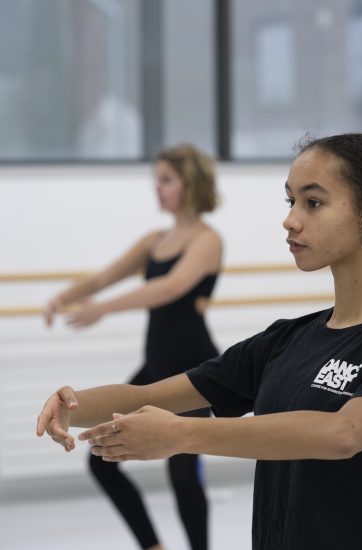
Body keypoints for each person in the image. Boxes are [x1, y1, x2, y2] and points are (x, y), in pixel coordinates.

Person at [37, 133, 362, 550]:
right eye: (291, 200)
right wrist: (71, 402)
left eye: (314, 202)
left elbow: (345, 432)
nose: (290, 219)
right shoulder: (287, 339)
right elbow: (149, 395)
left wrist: (184, 434)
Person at [43, 144, 222, 550]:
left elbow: (171, 286)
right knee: (102, 460)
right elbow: (105, 276)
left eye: (166, 180)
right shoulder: (155, 240)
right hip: (156, 366)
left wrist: (103, 309)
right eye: (155, 180)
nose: (157, 189)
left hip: (193, 370)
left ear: (189, 184)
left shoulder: (207, 240)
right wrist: (64, 297)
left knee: (182, 470)